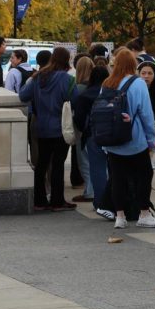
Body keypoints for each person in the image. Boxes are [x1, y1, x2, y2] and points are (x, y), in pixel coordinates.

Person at [98, 48, 155, 231]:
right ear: (133, 64)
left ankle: (120, 216)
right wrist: (151, 139)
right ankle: (144, 213)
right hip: (135, 140)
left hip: (113, 141)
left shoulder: (107, 83)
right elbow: (146, 115)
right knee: (144, 176)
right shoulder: (138, 83)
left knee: (117, 179)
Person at [18, 46, 78, 212]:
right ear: (67, 60)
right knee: (58, 164)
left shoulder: (37, 77)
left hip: (41, 126)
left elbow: (22, 96)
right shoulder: (67, 79)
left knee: (41, 164)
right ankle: (57, 201)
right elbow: (76, 99)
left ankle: (39, 200)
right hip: (60, 127)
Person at [72, 64, 111, 219]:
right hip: (111, 134)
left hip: (93, 135)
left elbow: (79, 119)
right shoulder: (111, 93)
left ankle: (100, 202)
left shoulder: (85, 95)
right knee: (112, 169)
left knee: (97, 169)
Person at [70, 55, 95, 203]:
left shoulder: (77, 88)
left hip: (82, 129)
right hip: (96, 128)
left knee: (84, 161)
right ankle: (93, 190)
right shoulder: (97, 87)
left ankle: (89, 191)